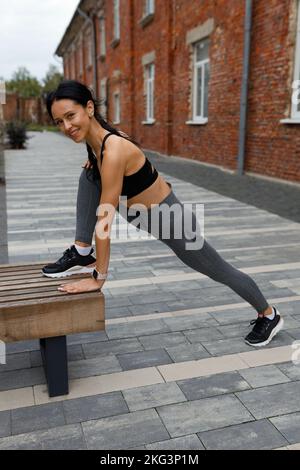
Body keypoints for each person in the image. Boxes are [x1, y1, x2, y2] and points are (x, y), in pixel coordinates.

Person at [43, 79, 284, 348]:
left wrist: (99, 277)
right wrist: (95, 164)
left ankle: (269, 314)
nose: (66, 127)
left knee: (220, 271)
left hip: (173, 223)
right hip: (146, 214)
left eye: (70, 116)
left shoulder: (113, 150)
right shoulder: (96, 142)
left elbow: (105, 218)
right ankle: (82, 250)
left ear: (89, 108)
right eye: (58, 122)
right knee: (89, 175)